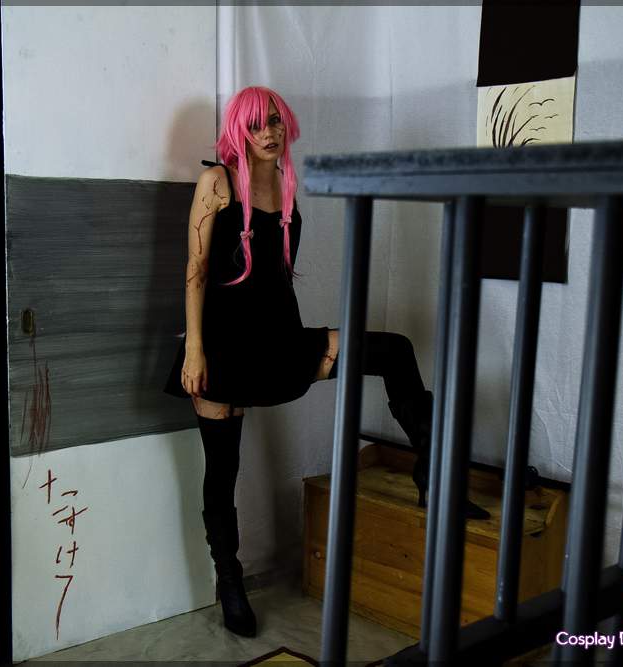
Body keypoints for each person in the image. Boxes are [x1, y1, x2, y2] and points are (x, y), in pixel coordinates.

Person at [162, 86, 489, 638]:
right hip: (222, 349)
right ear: (239, 131)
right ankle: (230, 582)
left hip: (281, 343)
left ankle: (432, 475)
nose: (269, 133)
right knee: (222, 472)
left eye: (275, 122)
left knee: (393, 350)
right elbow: (195, 271)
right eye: (257, 124)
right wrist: (194, 348)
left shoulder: (285, 184)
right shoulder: (216, 182)